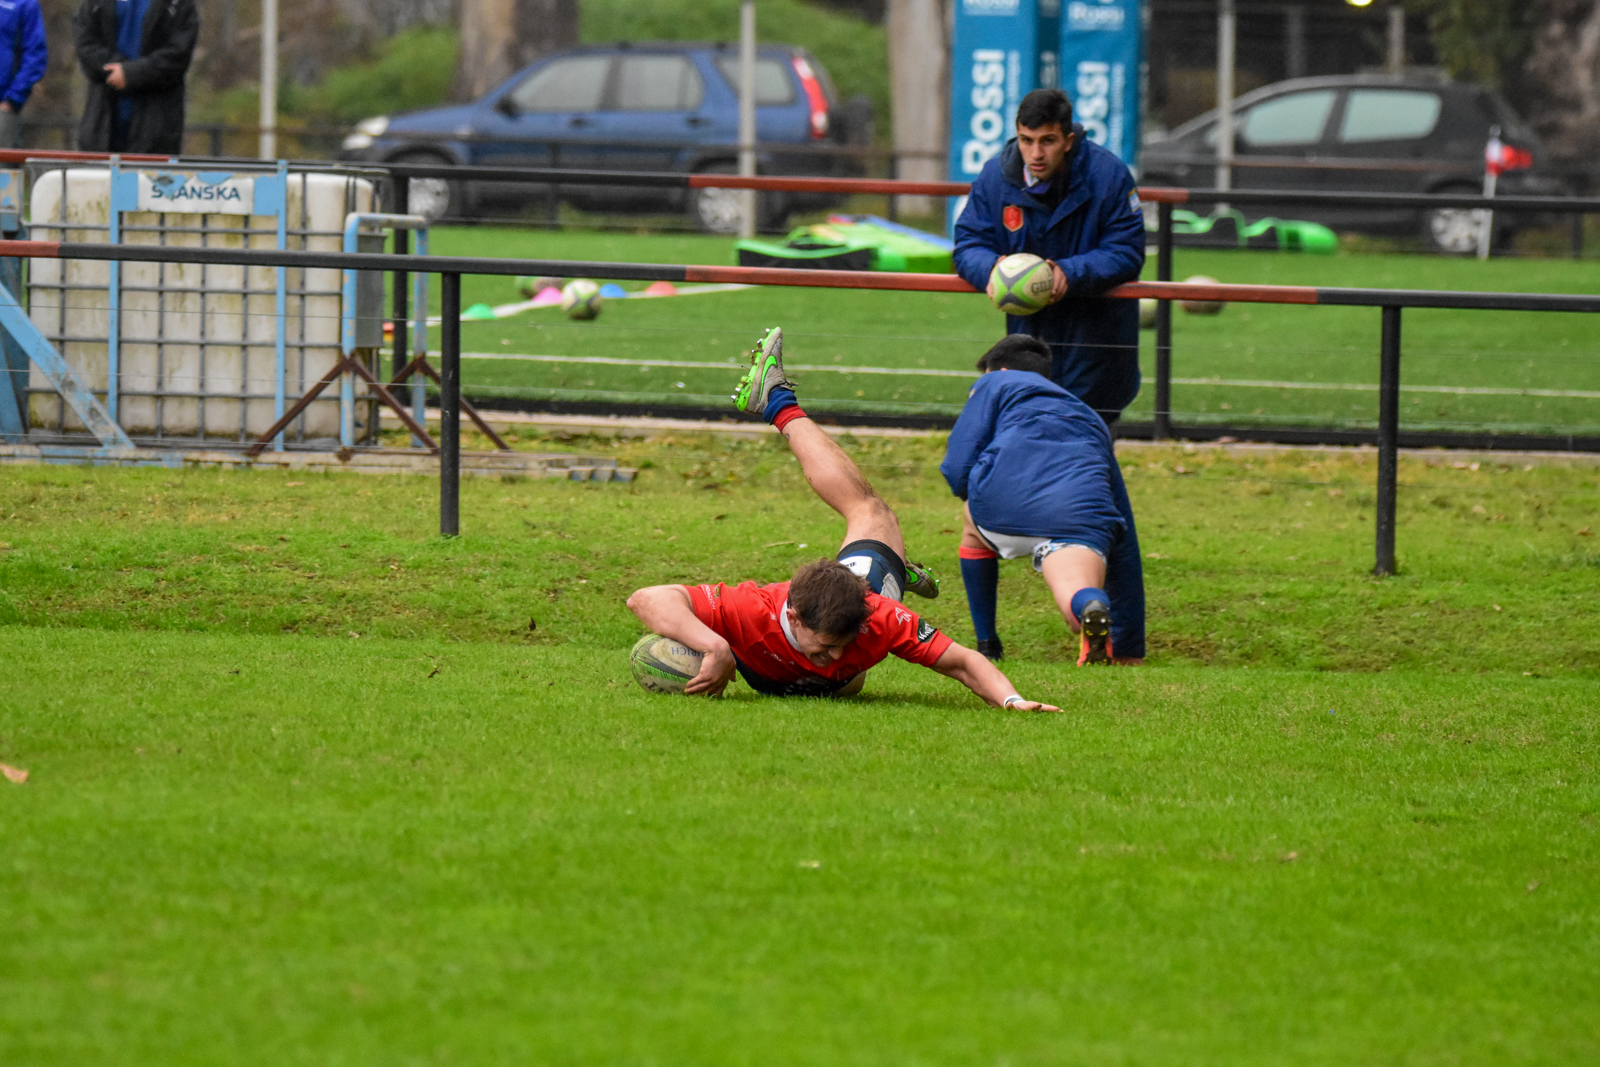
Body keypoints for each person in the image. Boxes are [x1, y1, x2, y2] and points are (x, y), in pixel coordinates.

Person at [626, 327, 1059, 711]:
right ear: (792, 615)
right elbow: (646, 597)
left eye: (843, 644)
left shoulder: (881, 618)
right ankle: (779, 404)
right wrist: (713, 646)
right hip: (771, 668)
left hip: (854, 637)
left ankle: (889, 566)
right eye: (826, 647)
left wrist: (1013, 700)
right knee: (869, 510)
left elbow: (964, 662)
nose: (834, 657)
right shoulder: (752, 610)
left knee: (872, 524)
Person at [941, 334, 1145, 666]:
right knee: (1075, 591)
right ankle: (1091, 611)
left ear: (1000, 369)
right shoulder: (1090, 417)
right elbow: (1124, 531)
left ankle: (988, 644)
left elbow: (957, 465)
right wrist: (1131, 647)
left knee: (970, 527)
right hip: (1081, 515)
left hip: (1004, 507)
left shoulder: (997, 382)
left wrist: (971, 491)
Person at [953, 87, 1145, 423]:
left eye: (1048, 141)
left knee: (1087, 453)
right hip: (1027, 343)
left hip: (1097, 341)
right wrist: (993, 269)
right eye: (1026, 140)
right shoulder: (994, 178)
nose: (1035, 153)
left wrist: (1069, 273)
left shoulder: (1109, 175)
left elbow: (1127, 250)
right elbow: (968, 243)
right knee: (1027, 439)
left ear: (1068, 140)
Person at [73, 0, 200, 155]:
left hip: (156, 130)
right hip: (100, 128)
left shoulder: (178, 4)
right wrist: (116, 71)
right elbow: (85, 44)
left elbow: (178, 55)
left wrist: (131, 73)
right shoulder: (95, 4)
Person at [0, 0, 47, 150]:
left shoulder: (25, 4)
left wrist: (12, 100)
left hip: (4, 107)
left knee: (4, 169)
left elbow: (36, 56)